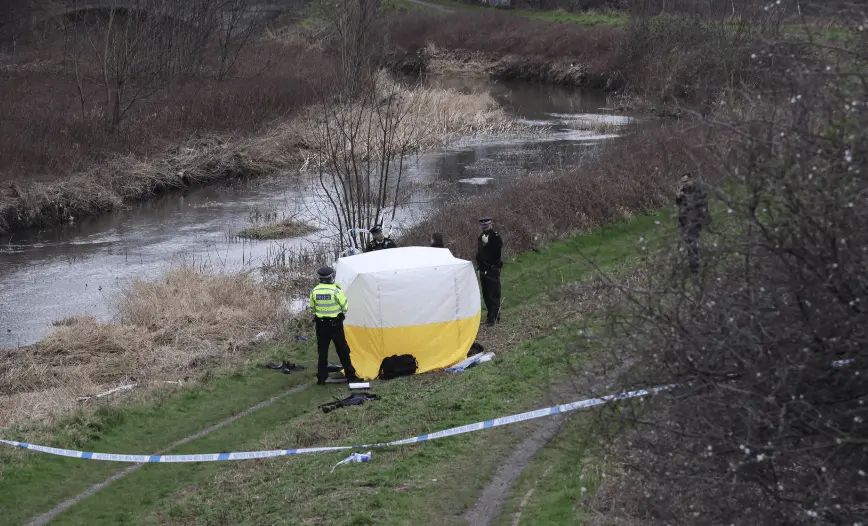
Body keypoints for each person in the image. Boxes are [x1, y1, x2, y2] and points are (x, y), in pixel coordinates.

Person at [309, 267, 359, 385]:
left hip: (321, 325)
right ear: (331, 277)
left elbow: (313, 308)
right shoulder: (336, 291)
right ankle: (350, 375)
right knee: (342, 350)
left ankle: (321, 378)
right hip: (335, 325)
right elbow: (345, 306)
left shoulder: (314, 291)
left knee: (322, 352)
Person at [675, 173, 711, 274]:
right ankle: (694, 263)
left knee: (691, 242)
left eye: (686, 181)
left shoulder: (698, 190)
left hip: (695, 220)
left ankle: (694, 266)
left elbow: (699, 204)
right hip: (684, 221)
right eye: (683, 182)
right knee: (689, 242)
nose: (685, 184)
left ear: (692, 180)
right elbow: (679, 204)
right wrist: (679, 197)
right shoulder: (684, 191)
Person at [475, 217, 503, 325]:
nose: (485, 228)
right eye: (483, 226)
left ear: (490, 225)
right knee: (486, 294)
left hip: (492, 269)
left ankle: (495, 317)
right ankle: (490, 316)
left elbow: (497, 249)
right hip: (483, 269)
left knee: (494, 294)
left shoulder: (495, 236)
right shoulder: (481, 237)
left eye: (486, 226)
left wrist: (488, 243)